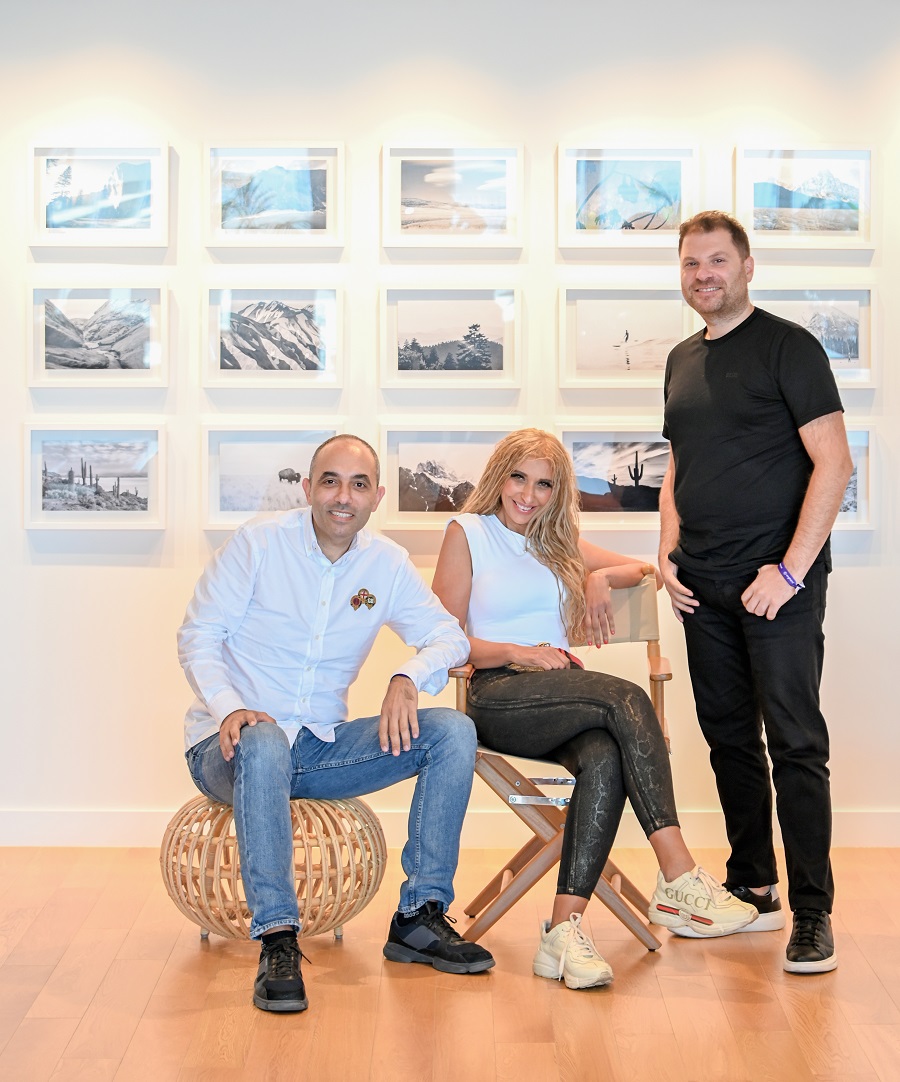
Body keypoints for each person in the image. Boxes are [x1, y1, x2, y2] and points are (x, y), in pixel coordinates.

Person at [177, 434, 495, 1014]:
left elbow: (448, 636)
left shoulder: (386, 564)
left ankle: (419, 917)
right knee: (265, 741)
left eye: (357, 485)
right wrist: (229, 708)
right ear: (308, 488)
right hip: (228, 747)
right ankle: (278, 939)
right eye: (330, 481)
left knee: (452, 731)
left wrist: (407, 676)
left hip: (317, 748)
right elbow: (198, 635)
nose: (342, 497)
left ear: (376, 497)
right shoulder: (258, 543)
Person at [432, 428, 758, 991]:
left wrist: (599, 576)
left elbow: (643, 572)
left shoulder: (558, 542)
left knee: (605, 756)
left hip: (561, 694)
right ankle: (678, 875)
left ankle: (562, 932)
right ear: (499, 477)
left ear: (557, 492)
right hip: (496, 693)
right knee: (627, 696)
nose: (529, 495)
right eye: (519, 478)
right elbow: (445, 640)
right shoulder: (469, 533)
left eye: (544, 485)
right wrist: (517, 652)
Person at [659, 211, 853, 975]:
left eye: (717, 260)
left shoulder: (789, 347)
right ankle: (753, 887)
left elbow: (834, 464)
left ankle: (813, 913)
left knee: (796, 744)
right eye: (691, 263)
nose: (703, 274)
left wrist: (792, 571)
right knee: (729, 738)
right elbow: (679, 464)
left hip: (778, 586)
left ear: (746, 267)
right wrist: (666, 551)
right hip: (701, 587)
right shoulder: (680, 359)